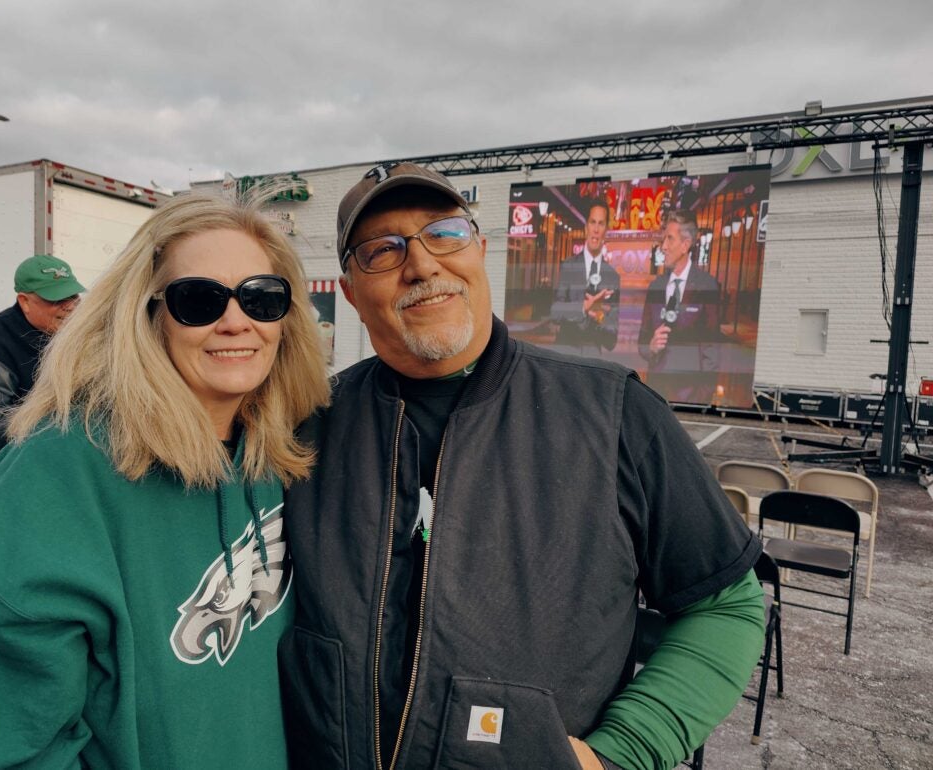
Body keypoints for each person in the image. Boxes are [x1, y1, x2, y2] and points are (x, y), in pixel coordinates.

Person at [279, 163, 765, 770]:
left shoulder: (613, 413)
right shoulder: (308, 428)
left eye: (444, 233)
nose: (423, 264)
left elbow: (726, 605)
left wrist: (626, 752)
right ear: (349, 290)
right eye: (383, 250)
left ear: (480, 251)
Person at [0, 193, 329, 768]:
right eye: (199, 299)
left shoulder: (285, 453)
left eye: (262, 298)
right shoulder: (55, 474)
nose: (236, 320)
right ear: (146, 314)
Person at [0, 253, 85, 465]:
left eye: (74, 296)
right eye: (57, 299)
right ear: (25, 302)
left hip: (70, 457)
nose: (70, 306)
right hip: (17, 463)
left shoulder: (78, 333)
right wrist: (58, 433)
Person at [637, 211, 721, 404]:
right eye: (664, 238)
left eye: (670, 239)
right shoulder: (655, 287)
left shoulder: (706, 286)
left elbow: (712, 349)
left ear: (685, 245)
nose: (663, 246)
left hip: (690, 395)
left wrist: (703, 396)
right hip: (655, 392)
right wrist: (650, 347)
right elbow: (642, 339)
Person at [549, 196, 621, 355]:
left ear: (606, 231)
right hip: (565, 354)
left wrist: (599, 316)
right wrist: (583, 308)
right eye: (592, 222)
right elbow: (555, 312)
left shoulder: (612, 277)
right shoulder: (568, 266)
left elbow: (611, 341)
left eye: (601, 223)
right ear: (586, 227)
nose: (596, 229)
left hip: (592, 362)